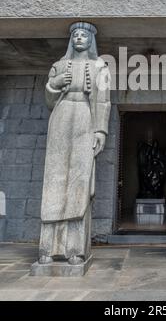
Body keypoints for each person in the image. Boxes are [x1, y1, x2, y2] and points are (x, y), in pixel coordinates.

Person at [39, 22, 111, 266]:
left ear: (91, 40)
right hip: (61, 118)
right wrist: (54, 84)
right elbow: (49, 99)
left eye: (85, 35)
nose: (80, 38)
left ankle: (74, 249)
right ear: (71, 40)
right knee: (55, 179)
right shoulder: (58, 66)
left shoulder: (100, 66)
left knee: (79, 181)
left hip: (84, 118)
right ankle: (48, 248)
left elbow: (103, 102)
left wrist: (100, 130)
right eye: (76, 35)